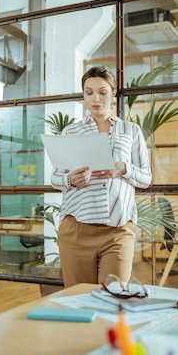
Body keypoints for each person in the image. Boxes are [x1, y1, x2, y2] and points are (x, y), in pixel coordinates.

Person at [50, 66, 152, 288]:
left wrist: (123, 168)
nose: (95, 98)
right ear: (83, 95)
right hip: (76, 230)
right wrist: (71, 180)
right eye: (89, 92)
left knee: (113, 298)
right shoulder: (71, 132)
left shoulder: (130, 131)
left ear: (113, 93)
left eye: (102, 92)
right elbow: (56, 178)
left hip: (118, 231)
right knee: (78, 300)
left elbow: (146, 179)